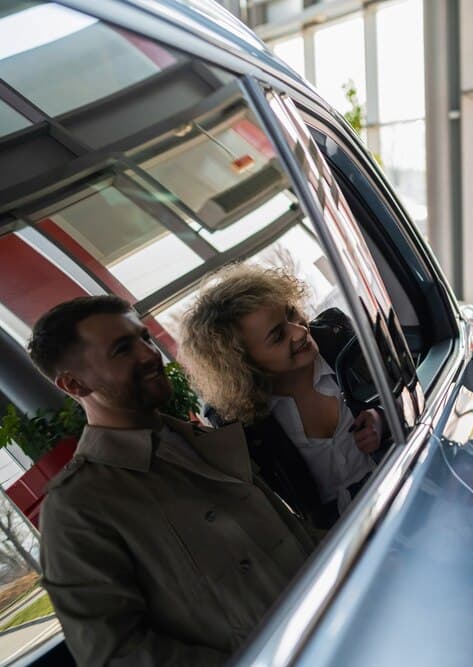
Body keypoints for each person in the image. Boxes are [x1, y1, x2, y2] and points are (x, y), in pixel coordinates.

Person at [28, 295, 315, 665]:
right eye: (122, 350)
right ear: (74, 384)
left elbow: (292, 539)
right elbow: (116, 656)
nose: (149, 355)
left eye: (144, 338)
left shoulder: (198, 440)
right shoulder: (77, 507)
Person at [180, 263, 384, 530]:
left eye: (291, 313)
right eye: (277, 335)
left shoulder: (338, 336)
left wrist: (382, 417)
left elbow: (408, 384)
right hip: (336, 535)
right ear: (242, 363)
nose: (300, 331)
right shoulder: (238, 423)